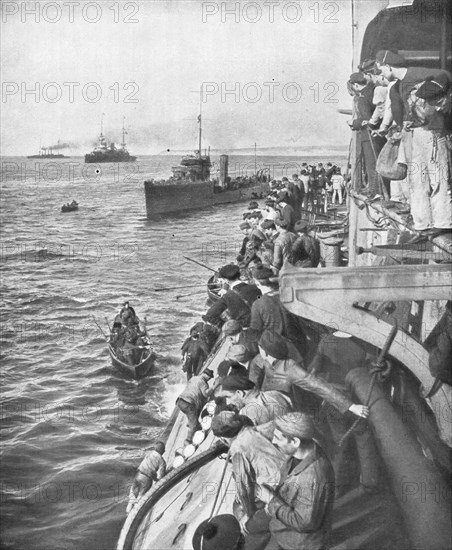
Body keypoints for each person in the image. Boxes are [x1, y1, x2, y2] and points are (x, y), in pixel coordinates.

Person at [308, 331, 379, 492]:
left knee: (340, 443)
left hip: (334, 402)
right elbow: (373, 370)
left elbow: (312, 371)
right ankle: (370, 481)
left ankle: (336, 487)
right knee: (363, 437)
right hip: (359, 400)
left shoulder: (326, 341)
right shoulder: (364, 342)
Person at [258, 413, 335, 550]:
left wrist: (270, 500)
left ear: (295, 441)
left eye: (277, 438)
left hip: (299, 543)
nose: (274, 442)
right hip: (287, 533)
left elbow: (304, 523)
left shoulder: (312, 477)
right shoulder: (306, 449)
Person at [211, 411, 286, 547]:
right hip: (289, 473)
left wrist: (249, 514)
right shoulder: (258, 429)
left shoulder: (237, 450)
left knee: (241, 513)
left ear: (223, 438)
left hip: (277, 491)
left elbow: (244, 488)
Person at [256, 331, 369, 421]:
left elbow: (319, 386)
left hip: (294, 415)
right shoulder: (267, 363)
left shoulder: (290, 367)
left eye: (259, 347)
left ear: (265, 352)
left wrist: (351, 406)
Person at [214, 376, 293, 426]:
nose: (228, 402)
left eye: (228, 396)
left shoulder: (246, 414)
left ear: (239, 393)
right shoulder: (273, 393)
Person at [176, 368, 214, 445]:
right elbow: (205, 394)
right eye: (209, 377)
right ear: (206, 375)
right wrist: (213, 387)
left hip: (180, 401)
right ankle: (188, 441)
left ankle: (189, 423)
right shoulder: (203, 383)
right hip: (188, 403)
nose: (209, 379)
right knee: (194, 424)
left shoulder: (194, 378)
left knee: (193, 412)